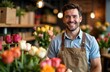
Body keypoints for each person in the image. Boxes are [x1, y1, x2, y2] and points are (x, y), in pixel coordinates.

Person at [47, 3, 102, 72]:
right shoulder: (55, 41)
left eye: (74, 16)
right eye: (67, 17)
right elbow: (49, 66)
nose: (71, 20)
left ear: (80, 19)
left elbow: (96, 66)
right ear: (63, 19)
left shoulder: (91, 40)